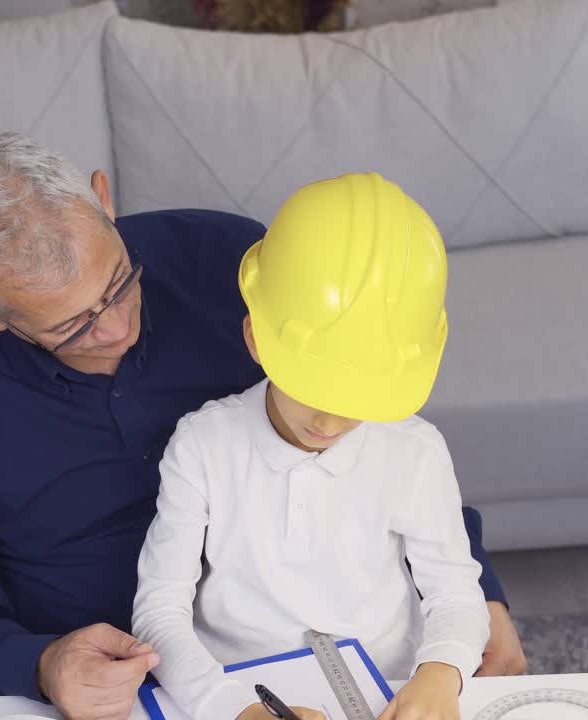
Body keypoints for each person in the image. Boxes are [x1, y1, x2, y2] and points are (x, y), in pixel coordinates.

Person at [0, 132, 526, 720]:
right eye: (72, 326)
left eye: (117, 282)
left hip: (288, 652)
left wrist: (479, 594)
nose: (116, 327)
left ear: (103, 199)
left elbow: (369, 404)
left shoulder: (227, 260)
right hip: (96, 690)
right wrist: (41, 665)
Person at [133, 173, 489, 720]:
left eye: (360, 397)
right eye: (311, 389)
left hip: (387, 680)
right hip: (232, 689)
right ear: (254, 338)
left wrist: (441, 674)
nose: (330, 420)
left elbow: (457, 592)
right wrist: (222, 703)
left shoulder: (414, 452)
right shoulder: (202, 446)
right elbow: (160, 605)